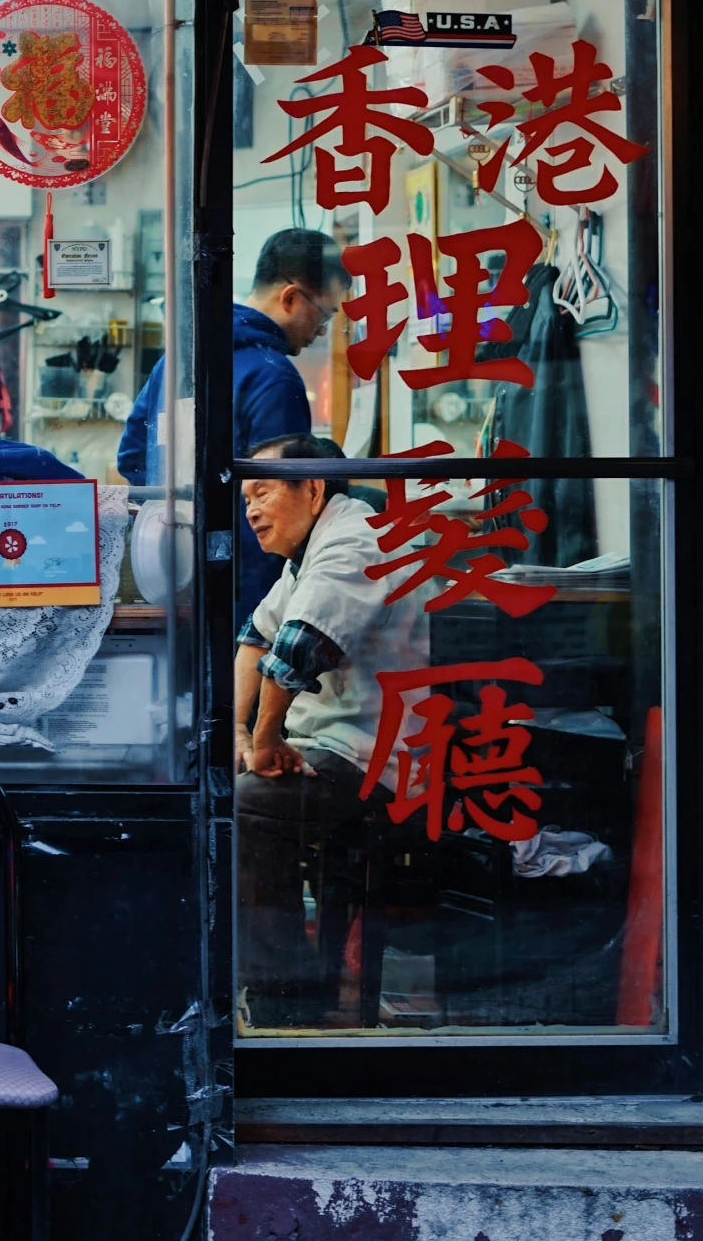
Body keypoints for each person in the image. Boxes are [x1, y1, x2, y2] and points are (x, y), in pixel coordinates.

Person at [232, 432, 428, 1030]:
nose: (252, 511)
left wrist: (263, 745)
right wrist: (241, 735)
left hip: (375, 753)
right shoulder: (309, 551)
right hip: (326, 742)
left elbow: (297, 649)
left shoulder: (359, 539)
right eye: (245, 500)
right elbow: (254, 640)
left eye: (263, 491)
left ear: (312, 488)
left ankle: (284, 1000)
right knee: (220, 780)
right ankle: (256, 979)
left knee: (250, 804)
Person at [117, 227, 347, 625]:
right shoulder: (275, 377)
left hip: (172, 574)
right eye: (324, 314)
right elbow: (283, 506)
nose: (322, 330)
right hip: (249, 590)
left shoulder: (178, 360)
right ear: (291, 298)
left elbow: (133, 456)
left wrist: (188, 517)